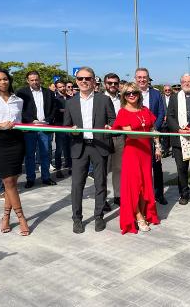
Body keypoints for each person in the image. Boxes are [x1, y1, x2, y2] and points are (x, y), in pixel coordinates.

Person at [64, 67, 116, 234]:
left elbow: (113, 120)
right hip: (79, 147)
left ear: (94, 81)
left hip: (99, 146)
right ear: (76, 81)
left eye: (87, 78)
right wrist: (71, 130)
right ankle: (76, 219)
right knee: (77, 185)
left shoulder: (104, 99)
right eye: (80, 79)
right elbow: (66, 126)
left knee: (100, 183)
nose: (84, 81)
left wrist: (110, 126)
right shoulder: (70, 102)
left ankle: (99, 216)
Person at [112, 82, 160, 234]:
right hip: (132, 152)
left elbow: (153, 128)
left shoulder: (145, 109)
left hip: (146, 152)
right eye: (128, 93)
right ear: (124, 96)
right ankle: (138, 216)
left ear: (139, 94)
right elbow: (131, 134)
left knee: (145, 184)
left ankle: (142, 211)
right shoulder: (122, 112)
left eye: (134, 92)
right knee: (135, 185)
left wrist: (158, 146)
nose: (131, 95)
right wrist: (149, 135)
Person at [0, 68, 29, 235]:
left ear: (9, 80)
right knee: (7, 182)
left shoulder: (18, 100)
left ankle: (6, 217)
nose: (2, 82)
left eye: (5, 79)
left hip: (16, 141)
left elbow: (20, 121)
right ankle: (22, 218)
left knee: (12, 182)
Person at [16, 70, 57, 188]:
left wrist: (48, 119)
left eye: (36, 79)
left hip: (45, 127)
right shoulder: (21, 93)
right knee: (30, 155)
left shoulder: (48, 92)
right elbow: (19, 110)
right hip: (30, 129)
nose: (35, 82)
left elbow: (53, 108)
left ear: (40, 79)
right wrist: (30, 120)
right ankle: (30, 179)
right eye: (32, 80)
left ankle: (46, 177)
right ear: (27, 81)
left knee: (45, 154)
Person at [134, 68, 167, 205]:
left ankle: (158, 194)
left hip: (153, 135)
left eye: (144, 77)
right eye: (139, 77)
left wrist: (154, 128)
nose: (142, 79)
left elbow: (161, 112)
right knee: (139, 168)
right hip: (136, 137)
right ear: (135, 79)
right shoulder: (130, 94)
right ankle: (142, 195)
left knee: (156, 166)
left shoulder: (156, 94)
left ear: (148, 78)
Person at [166, 74, 190, 205]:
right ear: (181, 83)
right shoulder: (174, 98)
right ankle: (184, 193)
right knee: (181, 169)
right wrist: (178, 129)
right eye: (185, 82)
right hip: (179, 139)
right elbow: (170, 117)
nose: (187, 84)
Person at [104, 73, 124, 206]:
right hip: (103, 137)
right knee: (103, 170)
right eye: (110, 83)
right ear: (105, 84)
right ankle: (103, 198)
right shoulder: (99, 98)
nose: (112, 85)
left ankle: (118, 195)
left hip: (120, 137)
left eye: (115, 83)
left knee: (118, 168)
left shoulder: (123, 99)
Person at [53, 79, 72, 178]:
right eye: (60, 87)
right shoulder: (55, 99)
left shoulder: (70, 98)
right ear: (56, 88)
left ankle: (70, 167)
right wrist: (64, 111)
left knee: (69, 148)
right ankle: (59, 169)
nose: (63, 88)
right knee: (59, 149)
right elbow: (55, 111)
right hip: (59, 126)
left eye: (64, 86)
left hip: (70, 126)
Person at [160, 84, 173, 157]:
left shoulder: (175, 97)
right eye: (166, 90)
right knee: (165, 137)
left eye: (169, 90)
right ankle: (165, 151)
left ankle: (174, 151)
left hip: (173, 120)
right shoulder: (161, 98)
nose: (167, 91)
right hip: (163, 121)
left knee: (173, 137)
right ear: (163, 91)